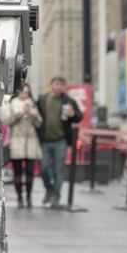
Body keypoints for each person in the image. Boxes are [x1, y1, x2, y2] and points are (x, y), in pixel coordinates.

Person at [36, 77, 82, 208]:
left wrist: (73, 114)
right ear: (51, 85)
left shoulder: (68, 100)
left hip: (60, 141)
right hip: (45, 140)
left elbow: (79, 117)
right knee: (43, 168)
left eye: (62, 85)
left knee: (59, 169)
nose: (59, 87)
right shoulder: (43, 99)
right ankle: (49, 190)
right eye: (57, 84)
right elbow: (35, 115)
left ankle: (56, 196)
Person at [2, 85, 42, 208]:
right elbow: (7, 121)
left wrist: (33, 113)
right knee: (17, 172)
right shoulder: (11, 104)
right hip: (16, 140)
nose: (24, 94)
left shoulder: (32, 104)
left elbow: (39, 123)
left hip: (31, 141)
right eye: (22, 92)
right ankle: (20, 197)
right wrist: (21, 113)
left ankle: (29, 196)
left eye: (27, 92)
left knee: (30, 171)